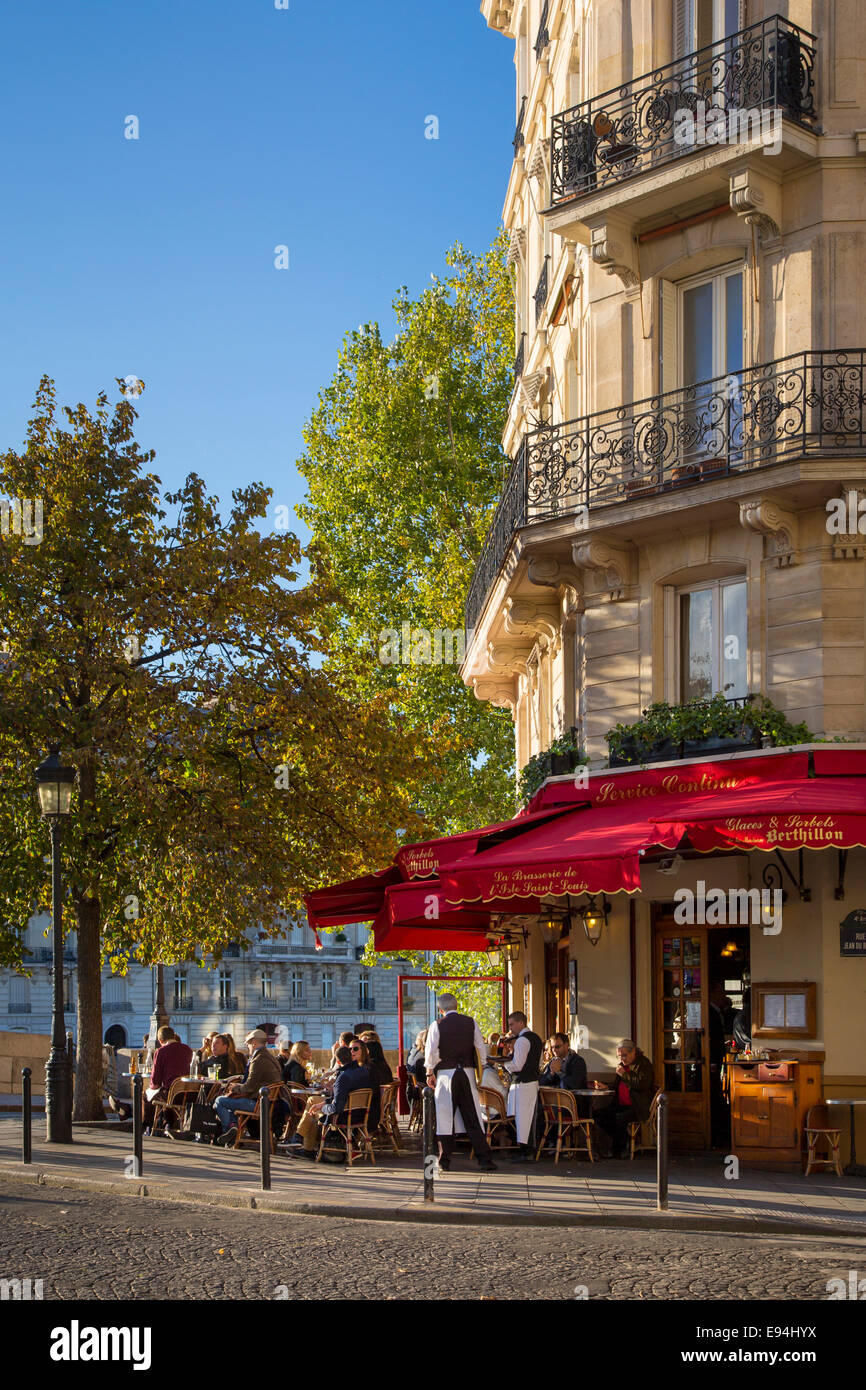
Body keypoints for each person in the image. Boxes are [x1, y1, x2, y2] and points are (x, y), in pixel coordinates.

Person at [424, 993, 497, 1173]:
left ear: (441, 1010)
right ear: (457, 1005)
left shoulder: (437, 1025)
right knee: (472, 1114)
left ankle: (444, 1160)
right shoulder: (470, 1022)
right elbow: (480, 1047)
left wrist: (429, 1072)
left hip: (446, 1074)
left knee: (445, 1116)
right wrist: (481, 1068)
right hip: (467, 1071)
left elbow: (431, 1050)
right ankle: (485, 1159)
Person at [286, 1044, 373, 1159]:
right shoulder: (363, 1071)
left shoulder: (343, 1077)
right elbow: (346, 1096)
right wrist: (323, 1103)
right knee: (312, 1103)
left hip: (344, 1115)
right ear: (351, 1057)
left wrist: (321, 1108)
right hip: (361, 1113)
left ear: (338, 1061)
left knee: (312, 1111)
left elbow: (336, 1107)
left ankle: (304, 1144)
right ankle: (302, 1142)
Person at [213, 1029, 283, 1146]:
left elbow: (249, 1087)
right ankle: (233, 1128)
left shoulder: (259, 1059)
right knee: (227, 1101)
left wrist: (234, 1087)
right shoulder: (268, 1056)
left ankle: (231, 1131)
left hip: (258, 1105)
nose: (247, 1046)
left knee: (219, 1101)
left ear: (254, 1042)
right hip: (269, 1103)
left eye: (248, 1043)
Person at [592, 1039, 656, 1159]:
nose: (622, 1059)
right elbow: (618, 1087)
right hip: (620, 1104)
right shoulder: (622, 1066)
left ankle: (618, 1150)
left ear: (634, 1053)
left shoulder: (643, 1064)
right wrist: (606, 1087)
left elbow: (641, 1084)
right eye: (620, 1056)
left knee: (619, 1118)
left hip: (637, 1106)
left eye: (625, 1055)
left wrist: (624, 1075)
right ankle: (624, 1139)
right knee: (598, 1114)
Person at [502, 1011, 543, 1162]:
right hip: (532, 1081)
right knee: (527, 1117)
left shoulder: (522, 1040)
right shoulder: (536, 1038)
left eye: (512, 1024)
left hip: (523, 1083)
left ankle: (526, 1151)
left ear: (521, 1023)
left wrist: (503, 1064)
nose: (510, 1028)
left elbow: (517, 1065)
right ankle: (526, 1150)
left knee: (523, 1117)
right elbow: (538, 1063)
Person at [143, 1027, 193, 1132]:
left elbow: (155, 1082)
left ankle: (147, 1126)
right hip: (186, 1094)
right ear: (173, 1036)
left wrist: (151, 1087)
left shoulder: (161, 1051)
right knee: (162, 1094)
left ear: (160, 1040)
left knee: (146, 1095)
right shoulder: (187, 1049)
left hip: (170, 1094)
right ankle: (168, 1124)